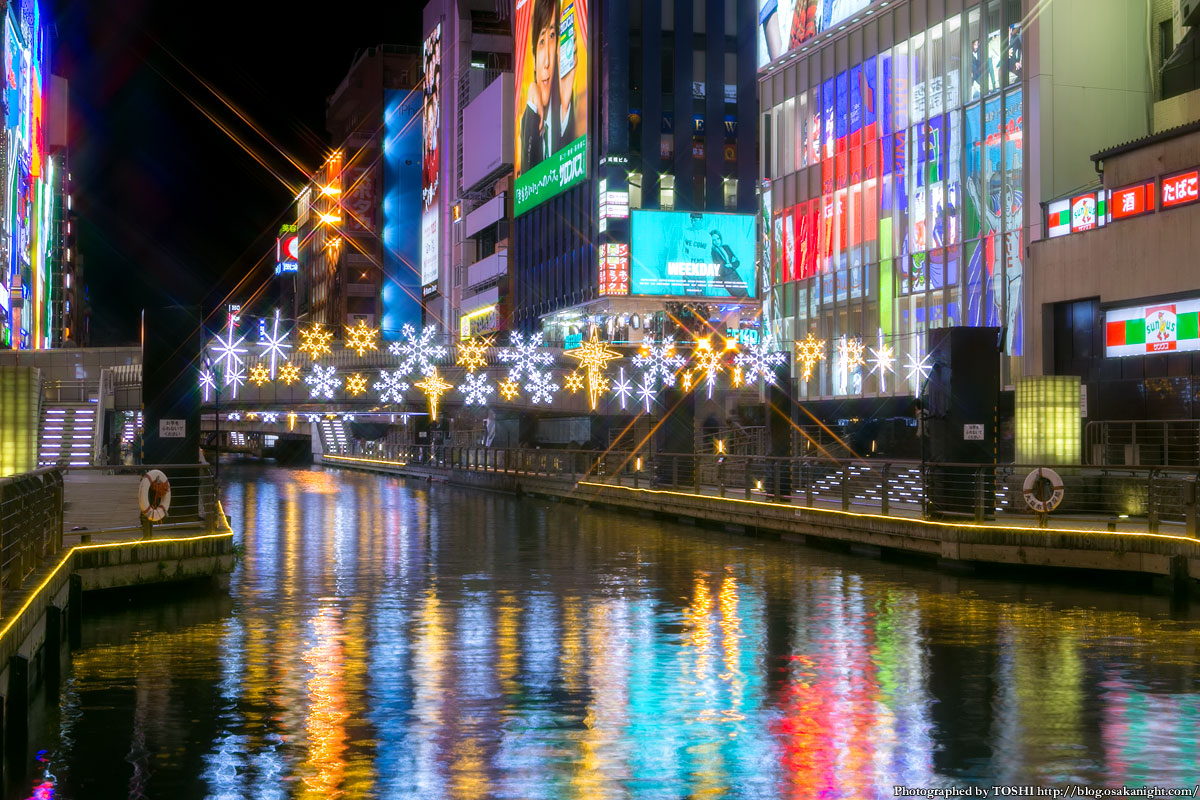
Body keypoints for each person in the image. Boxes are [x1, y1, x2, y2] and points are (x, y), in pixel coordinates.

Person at [520, 0, 558, 174]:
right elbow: (527, 177)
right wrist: (532, 93)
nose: (547, 61)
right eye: (542, 41)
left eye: (552, 36)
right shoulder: (528, 119)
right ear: (534, 59)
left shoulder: (573, 125)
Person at [710, 230, 749, 298]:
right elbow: (722, 270)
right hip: (726, 279)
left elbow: (737, 262)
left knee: (746, 296)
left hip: (735, 276)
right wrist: (731, 264)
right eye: (714, 240)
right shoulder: (713, 252)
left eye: (718, 239)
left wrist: (730, 265)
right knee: (739, 299)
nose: (717, 241)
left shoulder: (726, 247)